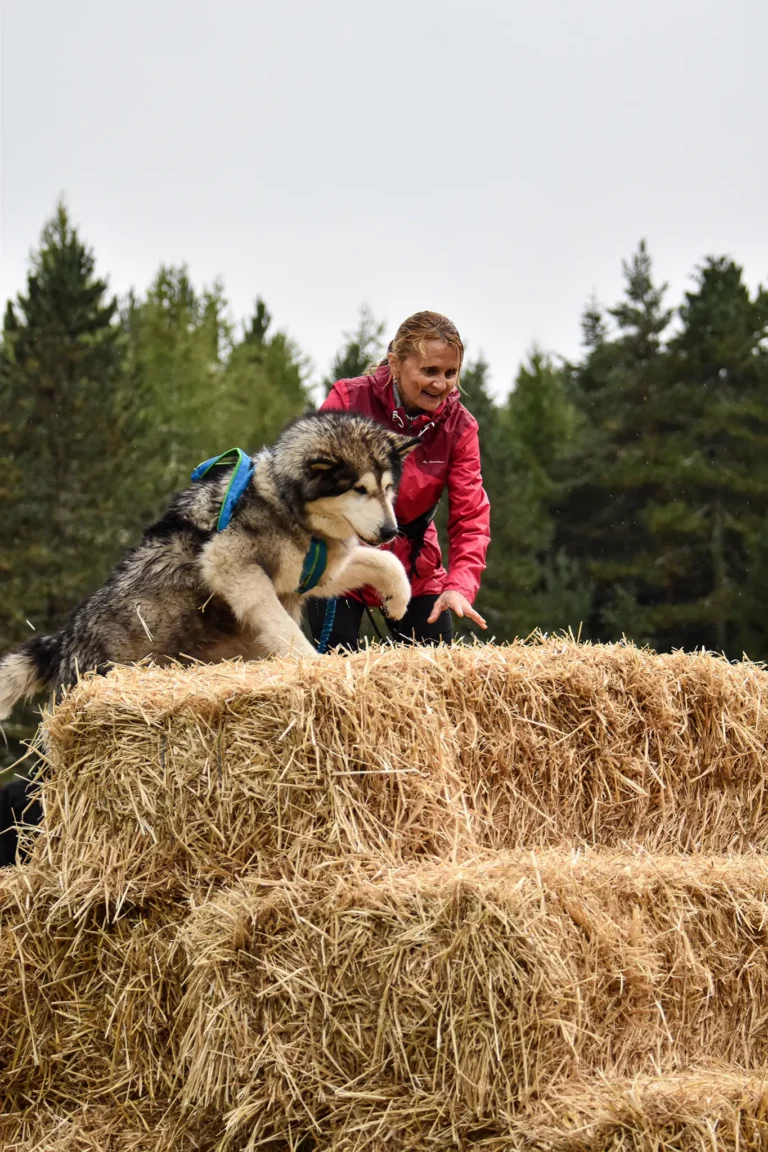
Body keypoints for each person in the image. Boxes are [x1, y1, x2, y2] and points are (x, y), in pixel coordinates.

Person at [308, 311, 490, 651]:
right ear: (395, 363)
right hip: (341, 560)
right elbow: (312, 481)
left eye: (451, 373)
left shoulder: (460, 428)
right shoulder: (348, 400)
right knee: (333, 680)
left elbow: (471, 516)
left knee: (441, 681)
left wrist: (459, 585)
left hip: (416, 569)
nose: (441, 384)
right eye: (429, 371)